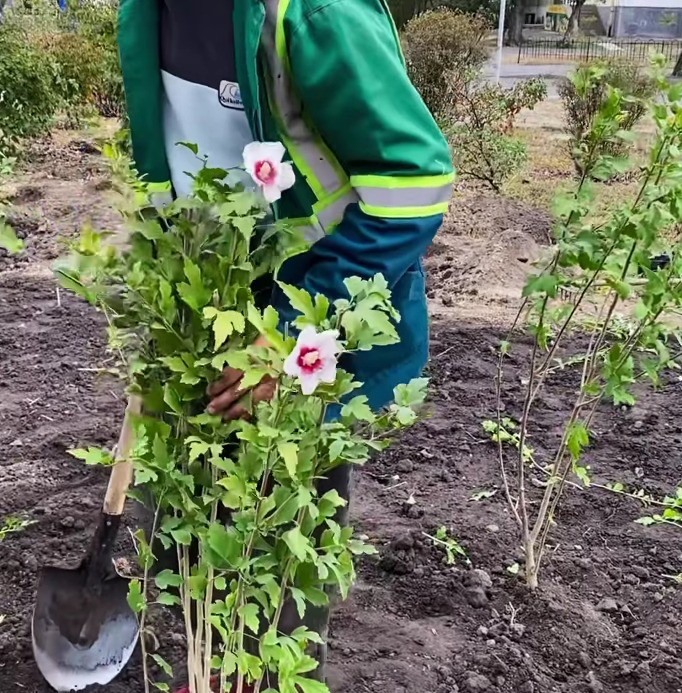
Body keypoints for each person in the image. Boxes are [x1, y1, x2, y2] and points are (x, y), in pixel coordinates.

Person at [116, 0, 453, 688]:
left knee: (284, 542)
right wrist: (160, 308)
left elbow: (413, 187)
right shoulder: (142, 14)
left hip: (303, 332)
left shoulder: (312, 14)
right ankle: (212, 669)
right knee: (183, 529)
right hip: (201, 323)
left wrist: (291, 337)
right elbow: (167, 170)